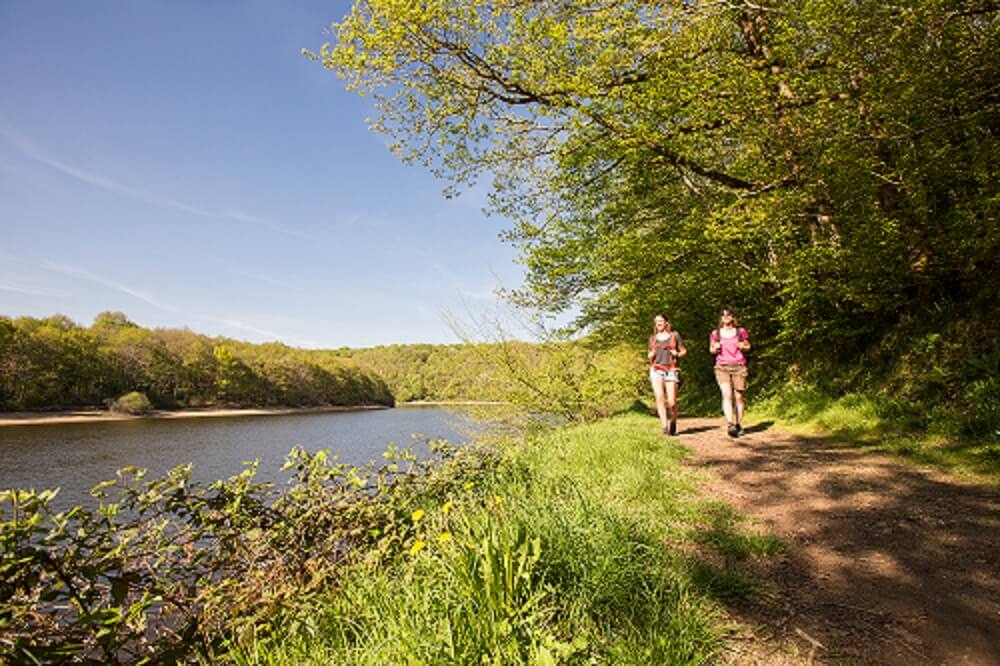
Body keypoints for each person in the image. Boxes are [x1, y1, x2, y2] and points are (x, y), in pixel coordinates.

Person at [709, 308, 750, 437]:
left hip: (739, 366)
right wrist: (714, 349)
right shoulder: (716, 333)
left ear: (733, 317)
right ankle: (730, 424)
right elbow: (711, 349)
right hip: (722, 367)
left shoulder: (740, 331)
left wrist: (743, 346)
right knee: (727, 395)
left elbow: (748, 346)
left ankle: (738, 423)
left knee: (738, 397)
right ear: (720, 318)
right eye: (723, 314)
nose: (726, 316)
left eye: (728, 314)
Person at [648, 313, 687, 435]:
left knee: (672, 402)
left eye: (660, 321)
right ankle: (664, 427)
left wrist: (677, 354)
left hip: (671, 370)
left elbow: (683, 351)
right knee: (659, 398)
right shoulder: (652, 339)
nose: (658, 323)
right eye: (656, 321)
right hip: (656, 370)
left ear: (666, 322)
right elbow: (649, 356)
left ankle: (673, 420)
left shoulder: (674, 336)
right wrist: (651, 355)